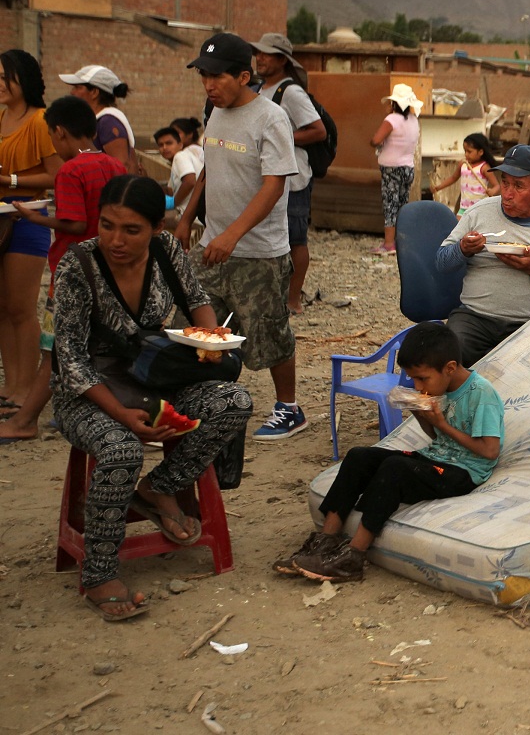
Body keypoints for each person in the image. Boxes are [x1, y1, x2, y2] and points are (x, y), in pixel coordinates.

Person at [51, 175, 251, 619]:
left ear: (156, 229)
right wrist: (121, 413)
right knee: (121, 448)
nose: (115, 240)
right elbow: (72, 362)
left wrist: (210, 338)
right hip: (85, 392)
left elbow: (196, 299)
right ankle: (100, 573)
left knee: (233, 402)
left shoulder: (167, 252)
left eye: (131, 230)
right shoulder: (77, 266)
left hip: (148, 375)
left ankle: (159, 488)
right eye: (106, 225)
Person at [274, 322, 503, 583]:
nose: (418, 387)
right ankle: (325, 542)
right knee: (360, 456)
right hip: (436, 458)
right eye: (413, 379)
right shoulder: (439, 388)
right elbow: (435, 438)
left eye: (422, 378)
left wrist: (440, 424)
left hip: (463, 472)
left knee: (394, 468)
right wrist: (422, 416)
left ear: (450, 368)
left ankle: (353, 557)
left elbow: (489, 451)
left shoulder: (481, 394)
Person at [174, 33, 303, 442]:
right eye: (203, 77)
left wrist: (232, 235)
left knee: (269, 335)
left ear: (244, 76)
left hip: (259, 252)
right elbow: (210, 168)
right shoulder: (215, 113)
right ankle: (197, 402)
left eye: (216, 77)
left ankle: (289, 409)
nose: (209, 86)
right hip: (213, 244)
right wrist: (187, 217)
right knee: (191, 325)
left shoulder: (270, 117)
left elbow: (274, 185)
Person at [1, 97, 126, 443]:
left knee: (54, 347)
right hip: (109, 268)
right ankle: (81, 408)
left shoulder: (71, 170)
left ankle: (26, 419)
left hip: (73, 270)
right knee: (95, 344)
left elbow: (74, 222)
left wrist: (33, 217)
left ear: (59, 132)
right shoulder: (112, 165)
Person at [435, 144, 530, 367]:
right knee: (450, 359)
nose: (507, 193)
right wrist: (463, 249)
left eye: (518, 186)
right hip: (475, 318)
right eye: (504, 182)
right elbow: (441, 263)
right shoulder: (479, 212)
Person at [0, 49, 59, 409]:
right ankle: (10, 385)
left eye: (5, 77)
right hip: (0, 217)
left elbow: (55, 173)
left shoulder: (40, 120)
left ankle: (27, 389)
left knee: (22, 307)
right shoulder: (1, 117)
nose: (0, 85)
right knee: (2, 308)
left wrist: (11, 178)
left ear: (23, 78)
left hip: (28, 217)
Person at [252, 33, 327, 314]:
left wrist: (280, 138)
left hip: (294, 179)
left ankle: (293, 299)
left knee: (296, 238)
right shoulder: (259, 90)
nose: (259, 58)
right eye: (257, 53)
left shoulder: (291, 92)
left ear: (282, 60)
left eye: (266, 54)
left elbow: (318, 130)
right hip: (269, 176)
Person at [371, 83, 422, 254]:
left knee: (389, 205)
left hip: (391, 169)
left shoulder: (391, 119)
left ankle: (388, 244)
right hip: (408, 167)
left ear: (394, 104)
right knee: (402, 204)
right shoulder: (415, 120)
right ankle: (401, 243)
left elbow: (376, 139)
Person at [61, 65, 135, 171]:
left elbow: (122, 167)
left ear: (94, 92)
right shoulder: (95, 121)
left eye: (78, 87)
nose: (72, 92)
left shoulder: (108, 122)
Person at [431, 133, 501, 215]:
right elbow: (453, 178)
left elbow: (497, 185)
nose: (466, 154)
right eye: (465, 151)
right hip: (464, 207)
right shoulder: (463, 164)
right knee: (459, 227)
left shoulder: (484, 167)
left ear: (480, 152)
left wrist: (492, 191)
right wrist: (438, 187)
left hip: (479, 208)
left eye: (469, 151)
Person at [154, 126, 202, 207]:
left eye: (169, 143)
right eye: (161, 145)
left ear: (180, 145)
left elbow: (190, 181)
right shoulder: (178, 163)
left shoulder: (180, 156)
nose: (164, 148)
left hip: (191, 216)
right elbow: (170, 192)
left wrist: (174, 203)